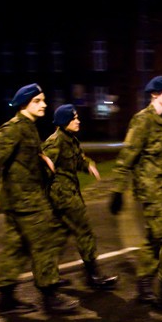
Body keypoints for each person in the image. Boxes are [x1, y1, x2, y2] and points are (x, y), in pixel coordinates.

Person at [0, 83, 78, 315]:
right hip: (26, 201)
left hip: (19, 199)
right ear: (24, 104)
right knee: (46, 241)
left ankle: (6, 298)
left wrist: (41, 158)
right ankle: (50, 295)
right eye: (38, 101)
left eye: (43, 100)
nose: (44, 104)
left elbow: (24, 156)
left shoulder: (28, 127)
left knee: (16, 247)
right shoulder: (13, 129)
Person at [108, 76, 162, 314]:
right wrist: (117, 190)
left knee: (154, 239)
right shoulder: (142, 121)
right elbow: (127, 157)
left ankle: (144, 285)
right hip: (150, 192)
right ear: (155, 95)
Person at [42, 104, 118, 290]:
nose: (78, 121)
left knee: (58, 237)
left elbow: (78, 160)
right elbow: (41, 168)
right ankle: (93, 275)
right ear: (64, 121)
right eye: (74, 118)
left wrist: (88, 165)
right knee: (84, 231)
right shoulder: (55, 141)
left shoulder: (70, 140)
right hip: (64, 196)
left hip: (68, 193)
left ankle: (49, 276)